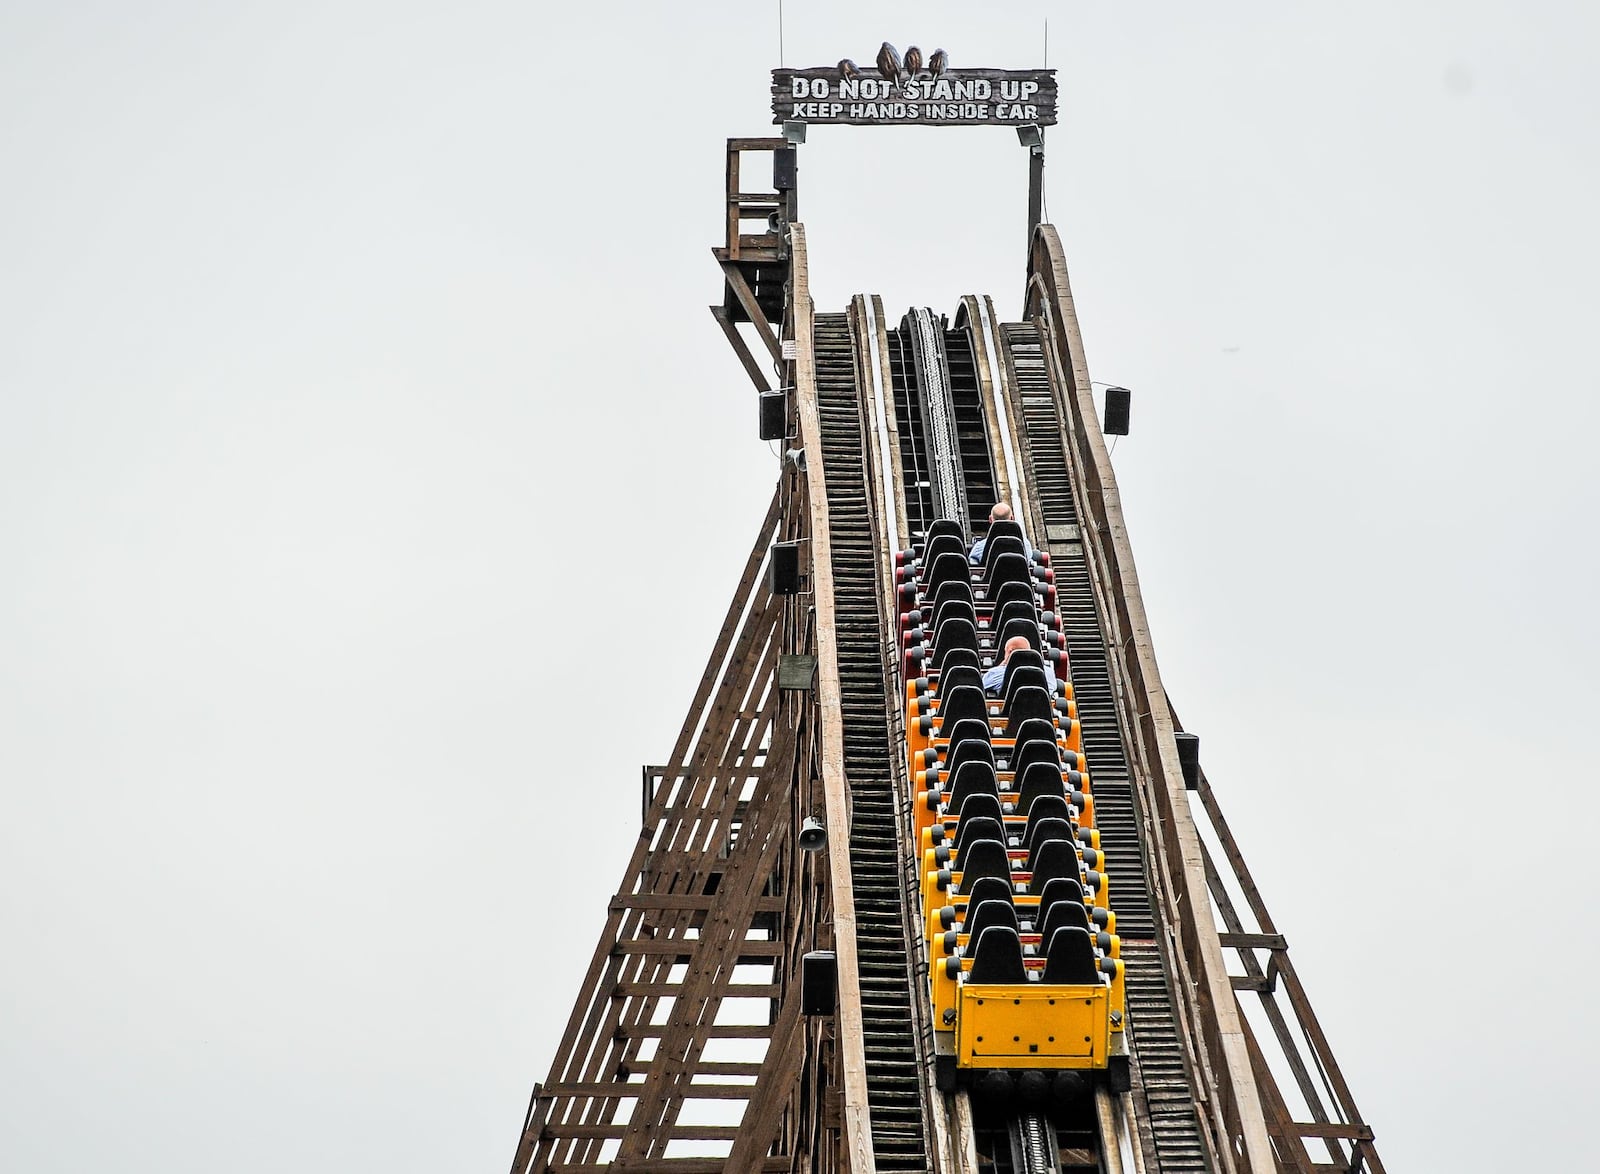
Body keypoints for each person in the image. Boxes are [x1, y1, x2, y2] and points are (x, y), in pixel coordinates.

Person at [982, 635, 1059, 697]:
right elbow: (1050, 691)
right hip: (1041, 711)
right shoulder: (1048, 672)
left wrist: (1001, 666)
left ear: (1009, 651)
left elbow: (982, 685)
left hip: (1009, 713)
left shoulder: (997, 673)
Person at [969, 501, 1033, 564]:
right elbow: (1028, 562)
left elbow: (972, 563)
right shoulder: (1025, 545)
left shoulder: (979, 547)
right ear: (1012, 518)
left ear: (990, 519)